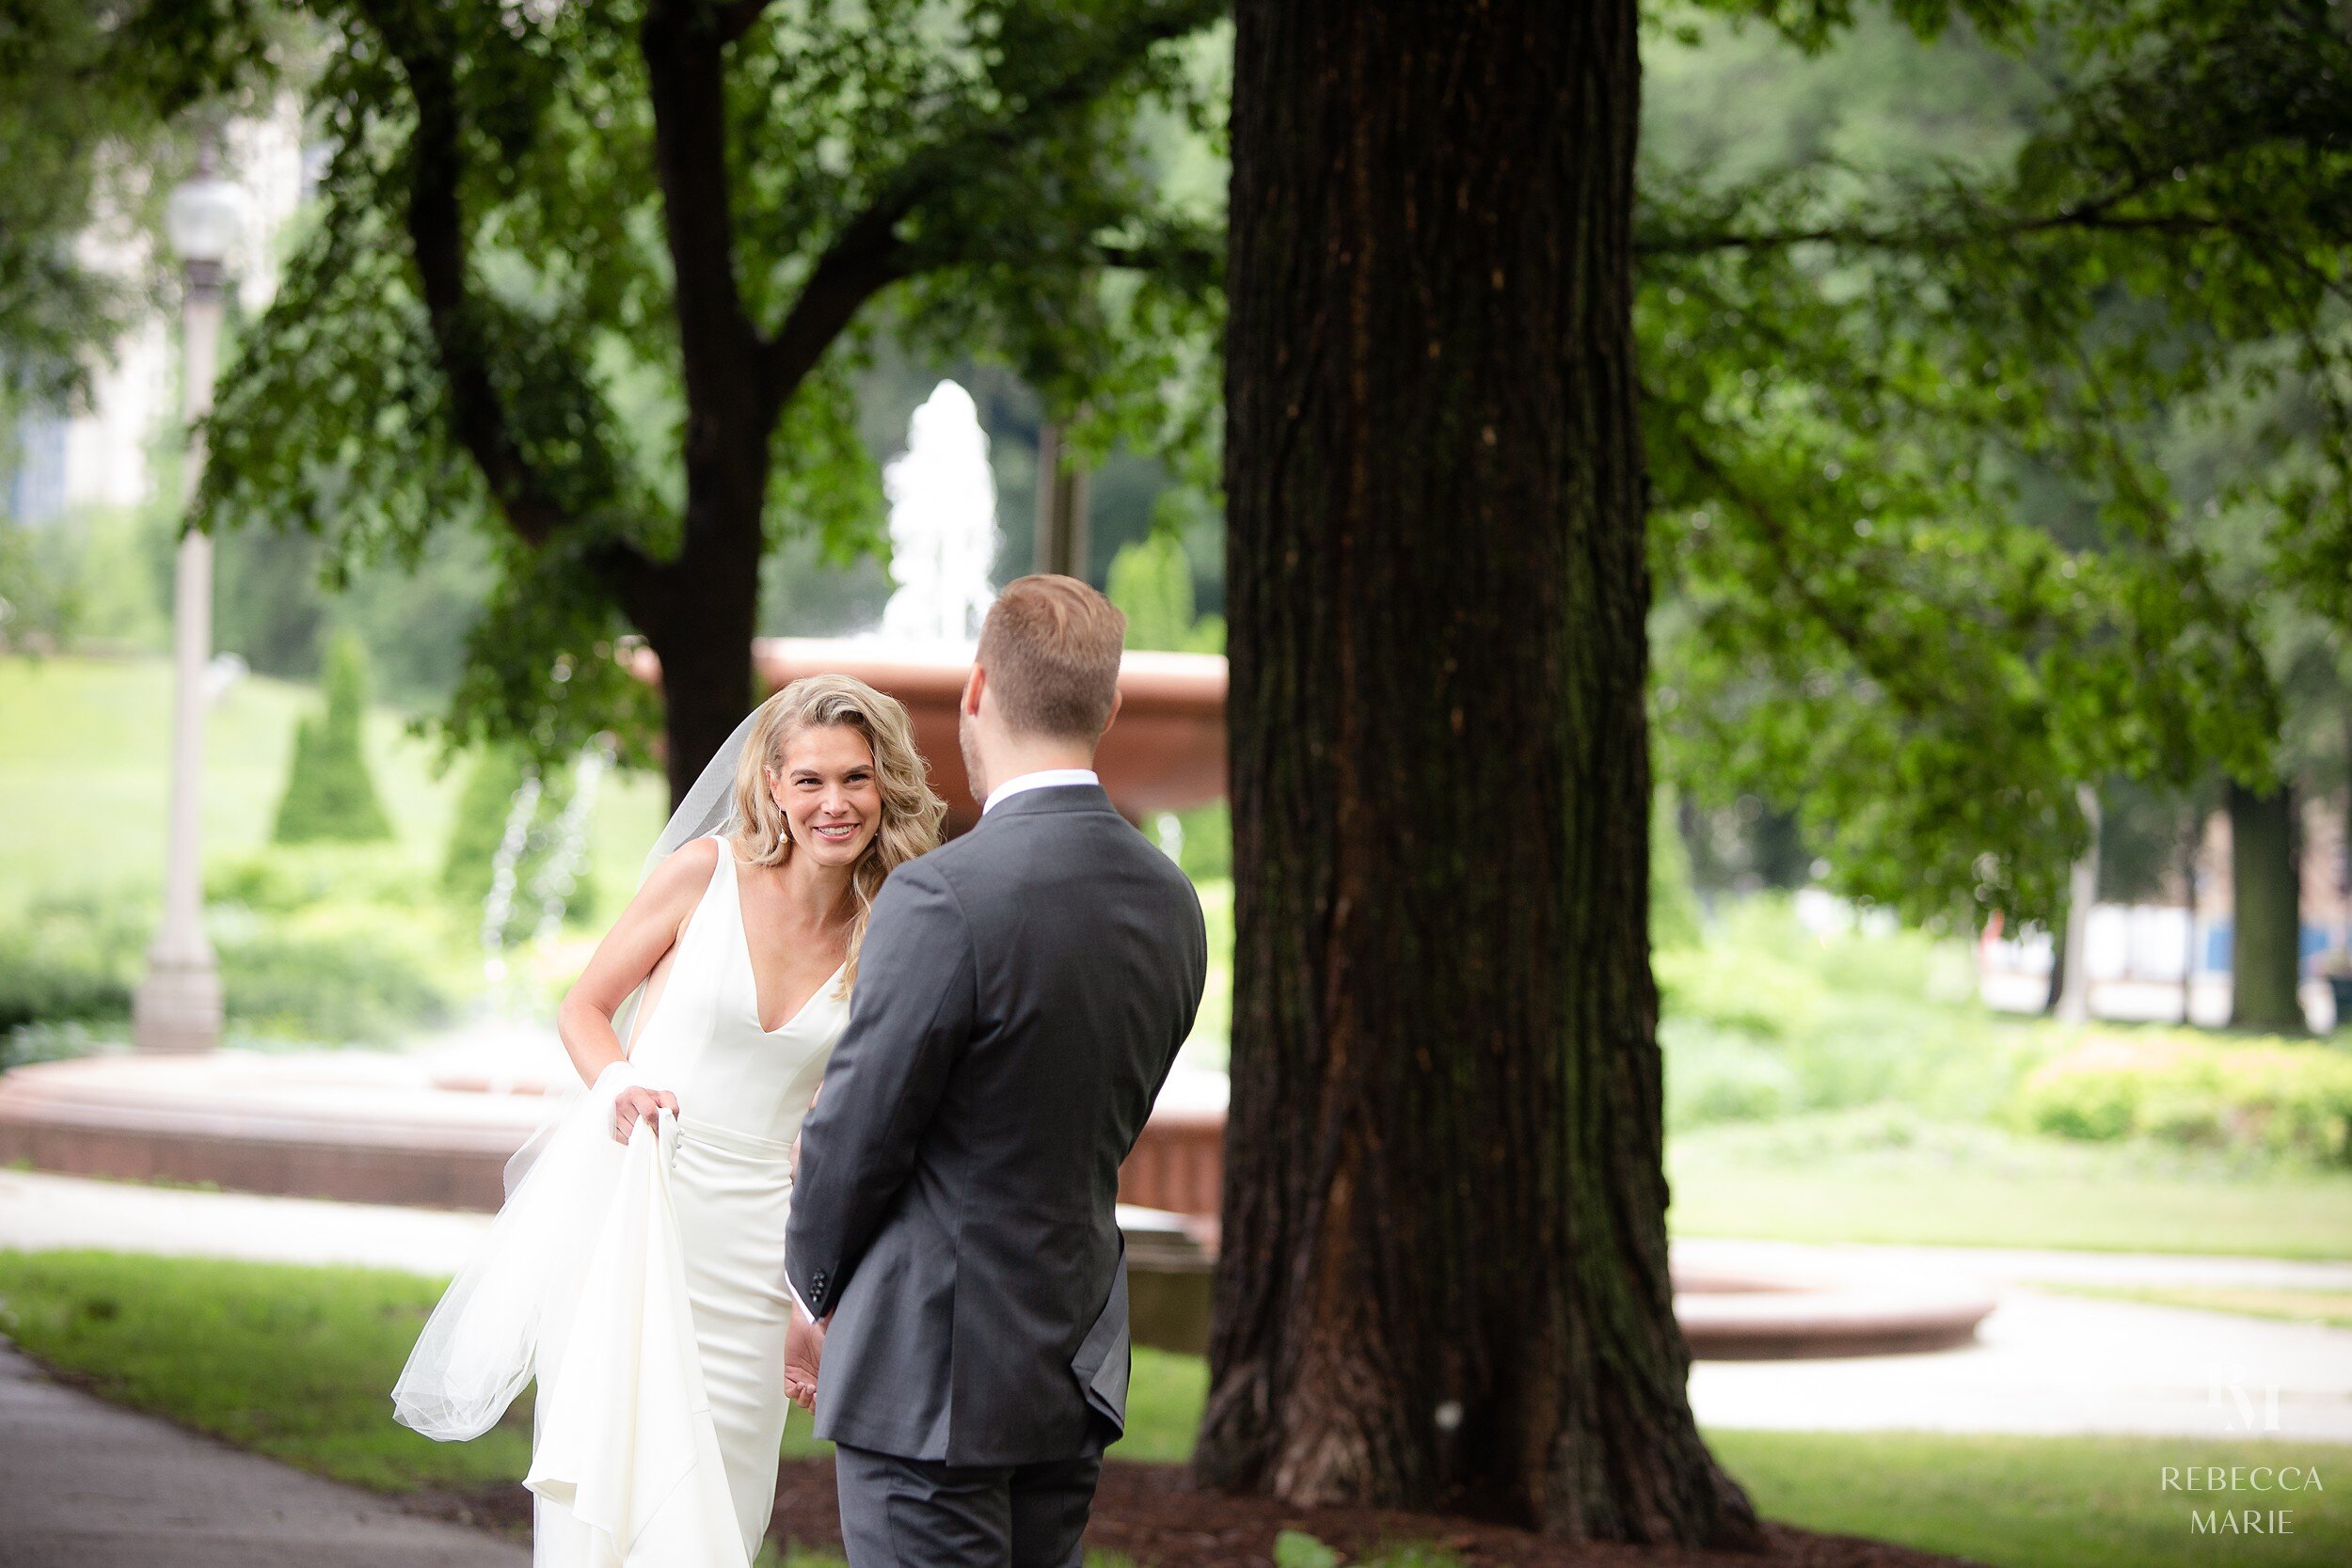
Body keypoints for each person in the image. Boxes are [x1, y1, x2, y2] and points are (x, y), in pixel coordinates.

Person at [391, 673, 946, 1568]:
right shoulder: (703, 875)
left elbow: (840, 1128)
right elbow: (584, 1007)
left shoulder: (888, 931)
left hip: (761, 1253)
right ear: (773, 784)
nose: (834, 803)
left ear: (887, 786)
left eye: (855, 777)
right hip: (636, 1216)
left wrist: (815, 1300)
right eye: (809, 779)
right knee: (608, 1502)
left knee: (715, 1523)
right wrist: (619, 1089)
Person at [785, 575, 1210, 1568]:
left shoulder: (941, 895)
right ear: (1108, 706)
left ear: (977, 688)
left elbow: (856, 1137)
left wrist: (811, 1292)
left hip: (926, 1373)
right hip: (1070, 1358)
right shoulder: (1172, 902)